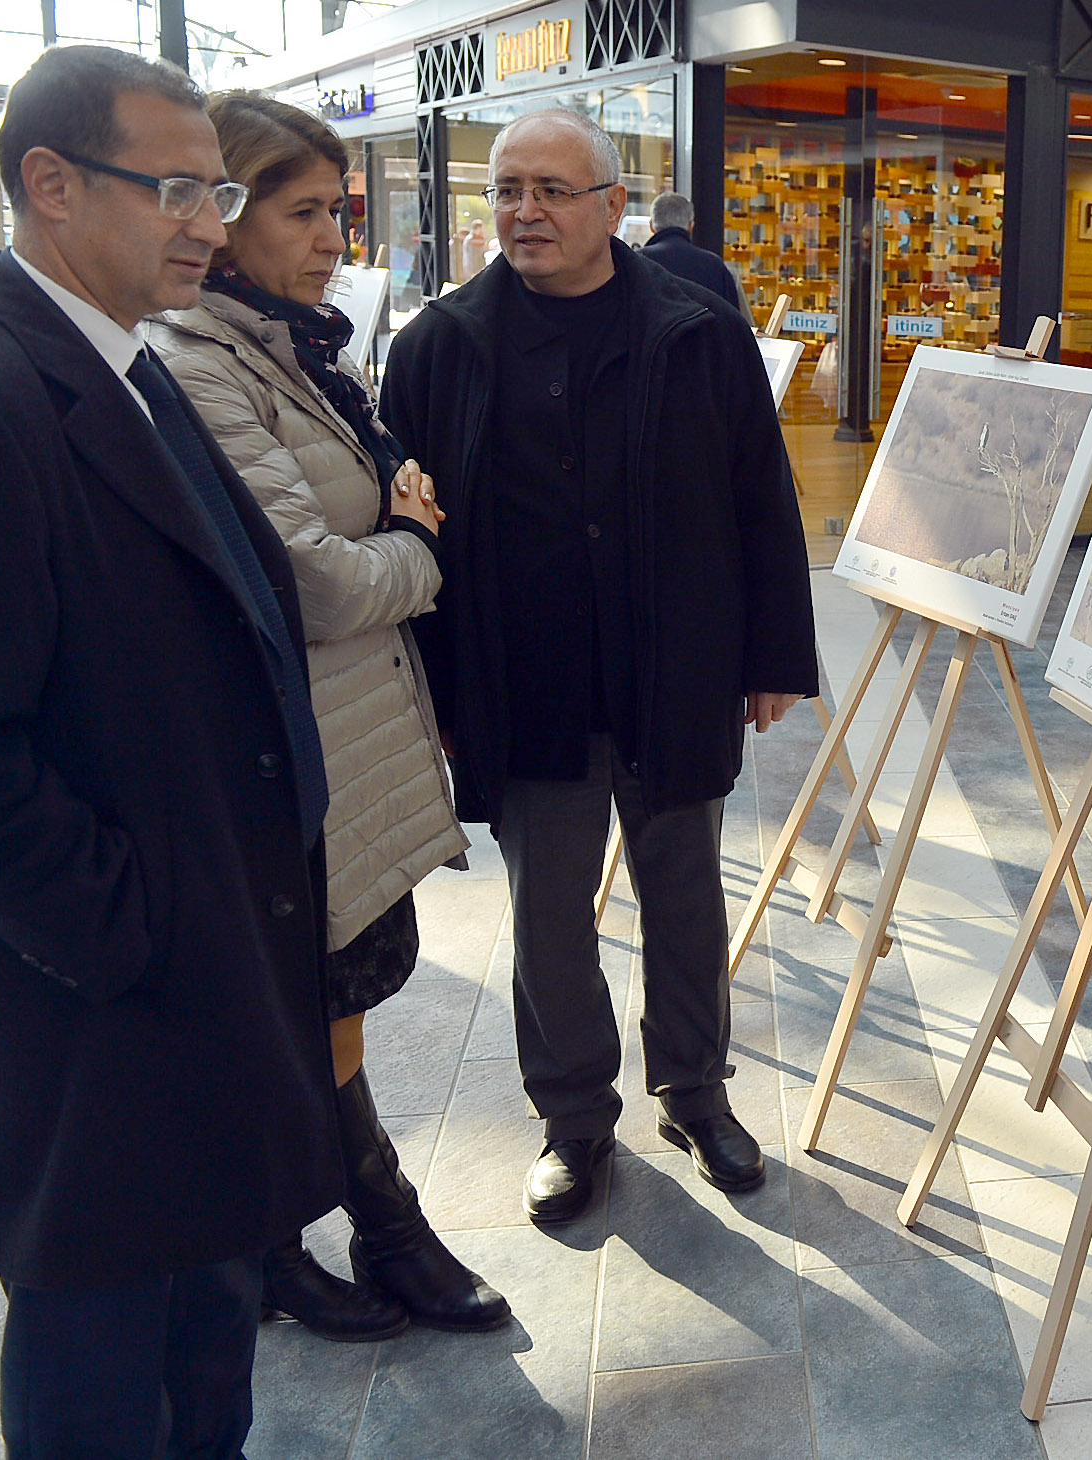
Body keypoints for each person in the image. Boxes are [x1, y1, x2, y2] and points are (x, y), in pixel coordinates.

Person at [0, 46, 339, 1455]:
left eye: (217, 187)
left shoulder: (120, 358)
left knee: (201, 1359)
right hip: (103, 1017)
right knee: (104, 1377)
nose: (211, 223)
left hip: (202, 982)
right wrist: (126, 934)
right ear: (49, 185)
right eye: (173, 187)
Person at [381, 109, 818, 1226]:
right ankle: (574, 1117)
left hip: (672, 667)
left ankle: (694, 1090)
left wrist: (773, 654)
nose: (523, 210)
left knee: (684, 896)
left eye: (550, 190)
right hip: (525, 682)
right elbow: (410, 540)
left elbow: (760, 496)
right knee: (550, 916)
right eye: (508, 189)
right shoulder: (438, 347)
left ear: (610, 206)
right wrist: (430, 687)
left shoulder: (695, 330)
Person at [147, 92, 511, 1340]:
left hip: (344, 733)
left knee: (326, 1003)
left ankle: (284, 1240)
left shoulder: (289, 345)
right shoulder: (203, 363)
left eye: (338, 212)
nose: (332, 240)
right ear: (232, 215)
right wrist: (415, 539)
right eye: (306, 212)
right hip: (291, 748)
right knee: (314, 1003)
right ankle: (374, 1229)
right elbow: (315, 579)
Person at [638, 190, 741, 310]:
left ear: (651, 226)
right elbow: (732, 321)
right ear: (691, 226)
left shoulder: (637, 262)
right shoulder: (714, 265)